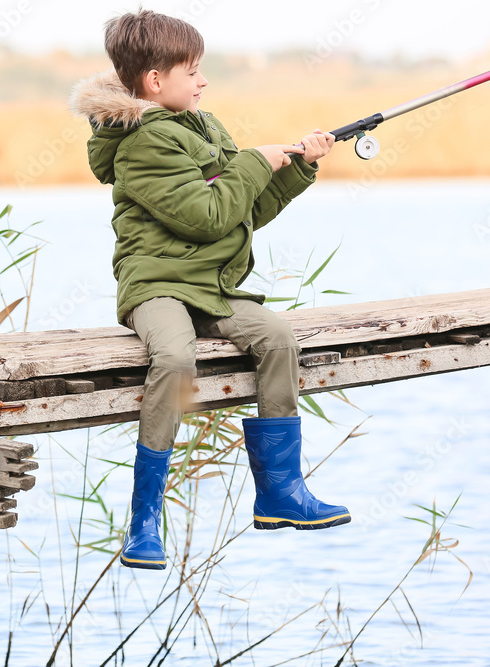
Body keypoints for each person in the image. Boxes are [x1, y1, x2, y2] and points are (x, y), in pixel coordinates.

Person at [69, 9, 350, 571]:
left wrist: (294, 169)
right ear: (155, 80)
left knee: (277, 337)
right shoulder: (142, 144)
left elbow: (240, 214)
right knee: (173, 359)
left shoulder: (203, 126)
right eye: (192, 71)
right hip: (157, 287)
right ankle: (144, 521)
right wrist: (252, 162)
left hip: (210, 286)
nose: (203, 82)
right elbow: (205, 216)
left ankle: (280, 495)